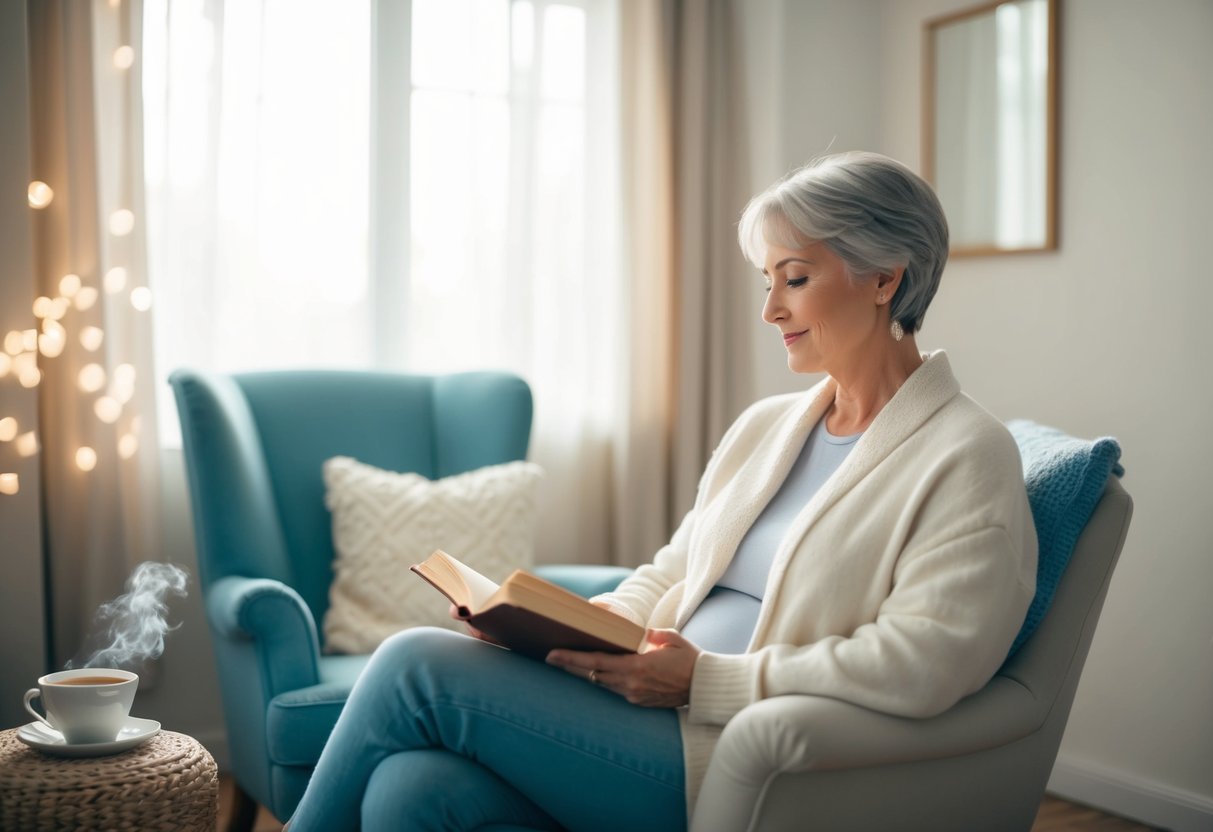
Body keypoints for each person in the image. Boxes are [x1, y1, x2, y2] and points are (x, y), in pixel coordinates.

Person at [286, 151, 1038, 832]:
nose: (770, 310)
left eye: (795, 278)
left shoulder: (965, 455)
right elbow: (670, 572)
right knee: (410, 790)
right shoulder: (767, 427)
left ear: (884, 278)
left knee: (413, 663)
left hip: (718, 750)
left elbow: (927, 659)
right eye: (766, 281)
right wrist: (564, 631)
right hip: (629, 710)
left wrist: (705, 682)